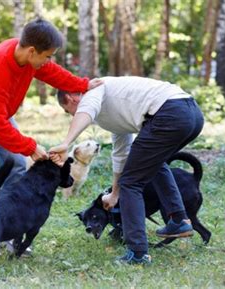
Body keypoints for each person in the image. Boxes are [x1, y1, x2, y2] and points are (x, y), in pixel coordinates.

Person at [0, 19, 101, 257]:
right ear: (32, 51)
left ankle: (9, 229)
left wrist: (84, 84)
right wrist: (29, 146)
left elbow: (53, 73)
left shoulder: (29, 58)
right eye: (48, 56)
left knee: (16, 164)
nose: (49, 61)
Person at [49, 76, 204, 264]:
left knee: (131, 183)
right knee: (153, 163)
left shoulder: (93, 91)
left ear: (71, 98)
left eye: (68, 111)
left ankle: (137, 253)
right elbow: (121, 152)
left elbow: (85, 111)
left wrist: (66, 143)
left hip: (170, 113)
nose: (72, 116)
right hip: (192, 115)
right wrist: (115, 193)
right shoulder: (111, 111)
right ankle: (178, 220)